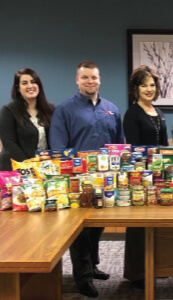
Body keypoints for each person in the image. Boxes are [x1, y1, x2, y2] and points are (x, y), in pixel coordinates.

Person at [49, 60, 124, 298]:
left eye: (93, 77)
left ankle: (92, 266)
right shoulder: (65, 110)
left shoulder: (111, 108)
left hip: (106, 180)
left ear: (99, 79)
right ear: (77, 80)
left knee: (96, 228)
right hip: (78, 182)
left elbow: (119, 145)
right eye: (85, 78)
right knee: (79, 231)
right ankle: (82, 278)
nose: (90, 81)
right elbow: (59, 148)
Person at [123, 65, 168, 289]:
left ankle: (156, 266)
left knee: (158, 225)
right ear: (135, 88)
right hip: (141, 176)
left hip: (160, 176)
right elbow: (133, 150)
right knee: (139, 225)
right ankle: (137, 272)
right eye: (144, 85)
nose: (149, 89)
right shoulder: (132, 113)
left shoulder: (158, 113)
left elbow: (166, 145)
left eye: (152, 85)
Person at [0, 69, 54, 171]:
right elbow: (9, 143)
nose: (30, 86)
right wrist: (29, 166)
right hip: (16, 169)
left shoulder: (50, 110)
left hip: (44, 168)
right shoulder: (8, 111)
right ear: (18, 88)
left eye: (33, 82)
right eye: (24, 83)